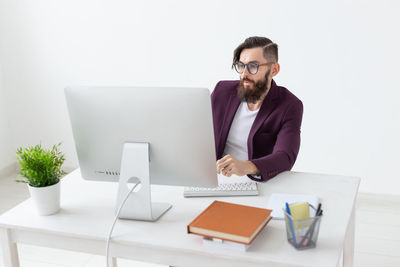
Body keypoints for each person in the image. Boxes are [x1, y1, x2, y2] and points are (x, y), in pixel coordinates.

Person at [212, 36, 303, 182]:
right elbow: (197, 131)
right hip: (216, 179)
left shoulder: (289, 105)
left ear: (274, 69)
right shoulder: (222, 91)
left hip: (256, 182)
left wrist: (246, 167)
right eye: (241, 65)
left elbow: (285, 156)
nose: (244, 74)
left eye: (253, 66)